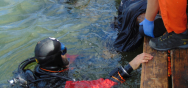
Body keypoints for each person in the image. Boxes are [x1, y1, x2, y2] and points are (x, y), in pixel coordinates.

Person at [10, 37, 153, 88]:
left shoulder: (33, 72)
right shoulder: (65, 85)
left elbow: (70, 58)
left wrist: (91, 56)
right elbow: (106, 84)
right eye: (63, 51)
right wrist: (131, 64)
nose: (67, 54)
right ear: (57, 59)